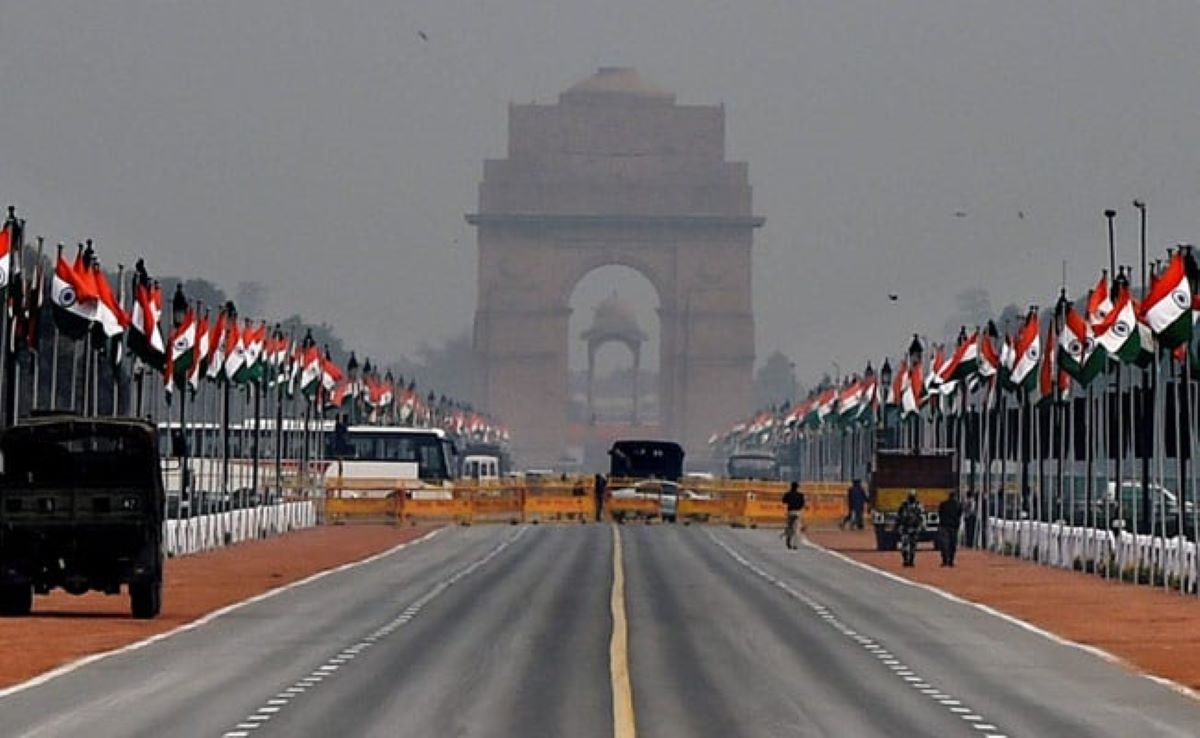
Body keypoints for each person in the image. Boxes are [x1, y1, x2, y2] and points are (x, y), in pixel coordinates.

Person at [896, 490, 924, 567]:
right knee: (904, 546)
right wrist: (899, 526)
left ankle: (911, 560)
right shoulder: (903, 506)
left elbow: (921, 517)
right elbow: (899, 517)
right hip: (905, 528)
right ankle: (905, 559)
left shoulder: (918, 506)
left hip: (914, 528)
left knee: (913, 546)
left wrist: (920, 526)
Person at [937, 491, 963, 566]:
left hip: (944, 526)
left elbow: (940, 513)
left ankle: (945, 560)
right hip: (953, 527)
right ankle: (951, 560)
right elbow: (960, 514)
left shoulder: (943, 504)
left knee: (944, 544)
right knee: (952, 544)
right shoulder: (958, 505)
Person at [782, 481, 806, 549]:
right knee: (796, 529)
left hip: (790, 512)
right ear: (797, 487)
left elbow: (783, 501)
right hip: (797, 512)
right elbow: (802, 504)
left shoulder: (788, 494)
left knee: (789, 527)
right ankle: (795, 545)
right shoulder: (801, 495)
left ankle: (788, 541)